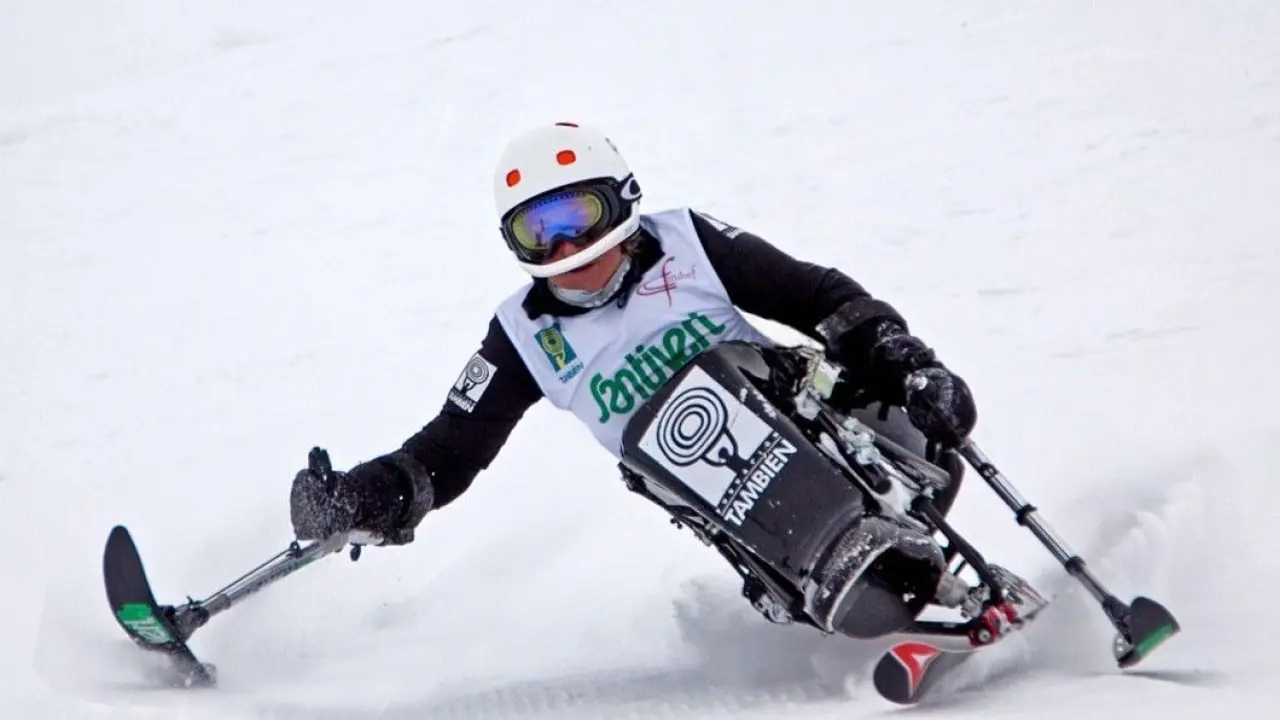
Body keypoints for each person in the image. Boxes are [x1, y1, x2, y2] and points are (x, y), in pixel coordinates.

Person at [289, 121, 978, 553]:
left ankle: (882, 502)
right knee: (665, 426)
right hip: (743, 510)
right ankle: (843, 563)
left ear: (619, 201)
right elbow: (449, 450)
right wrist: (362, 499)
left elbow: (818, 297)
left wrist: (906, 362)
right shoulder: (523, 334)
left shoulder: (688, 241)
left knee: (721, 372)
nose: (565, 246)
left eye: (578, 216)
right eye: (539, 231)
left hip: (829, 431)